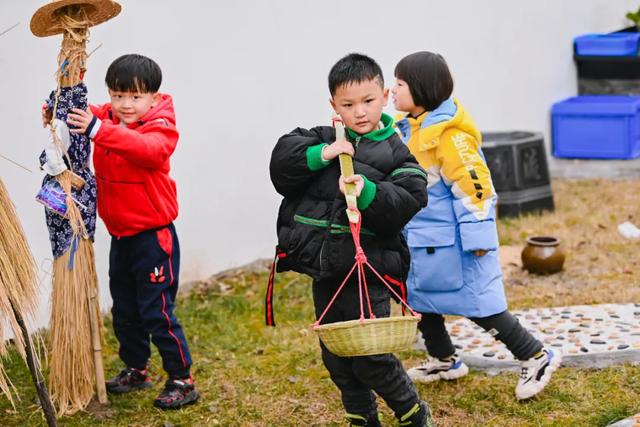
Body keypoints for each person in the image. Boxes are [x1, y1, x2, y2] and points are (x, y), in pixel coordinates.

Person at [269, 53, 434, 426]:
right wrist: (324, 153)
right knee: (337, 355)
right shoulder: (325, 137)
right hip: (327, 268)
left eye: (368, 101)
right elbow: (282, 163)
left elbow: (410, 197)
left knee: (371, 355)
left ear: (385, 95)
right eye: (347, 104)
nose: (359, 112)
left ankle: (412, 412)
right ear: (334, 105)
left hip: (370, 268)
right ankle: (361, 418)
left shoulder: (396, 152)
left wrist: (369, 192)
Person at [392, 51, 561, 400]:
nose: (392, 90)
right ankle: (444, 360)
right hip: (424, 239)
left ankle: (535, 355)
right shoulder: (408, 129)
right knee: (422, 302)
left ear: (420, 88)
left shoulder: (450, 137)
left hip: (457, 243)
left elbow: (477, 190)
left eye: (399, 83)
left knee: (480, 305)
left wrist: (478, 239)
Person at [66, 54, 198, 409]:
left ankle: (182, 379)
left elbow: (149, 151)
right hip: (121, 237)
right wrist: (58, 108)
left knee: (157, 310)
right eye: (117, 95)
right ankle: (136, 368)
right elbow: (85, 112)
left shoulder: (161, 126)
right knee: (125, 309)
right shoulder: (107, 116)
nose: (125, 105)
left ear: (153, 98)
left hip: (154, 238)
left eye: (135, 97)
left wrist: (98, 129)